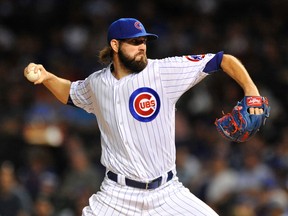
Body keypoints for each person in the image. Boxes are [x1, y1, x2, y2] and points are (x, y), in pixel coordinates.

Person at [24, 18, 264, 216]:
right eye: (135, 42)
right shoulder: (97, 84)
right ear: (115, 45)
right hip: (116, 196)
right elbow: (70, 93)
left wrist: (251, 90)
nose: (142, 46)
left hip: (167, 193)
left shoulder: (162, 72)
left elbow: (222, 60)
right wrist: (46, 77)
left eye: (145, 41)